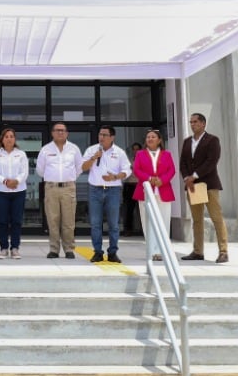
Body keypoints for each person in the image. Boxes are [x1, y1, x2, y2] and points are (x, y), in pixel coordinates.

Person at [179, 112, 229, 264]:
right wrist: (187, 178)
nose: (192, 124)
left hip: (208, 185)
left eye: (195, 122)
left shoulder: (212, 140)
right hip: (193, 186)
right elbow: (183, 163)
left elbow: (211, 161)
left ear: (203, 124)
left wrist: (194, 175)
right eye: (191, 122)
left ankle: (223, 251)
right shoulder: (187, 142)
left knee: (216, 218)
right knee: (197, 220)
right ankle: (198, 251)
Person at [84, 125, 131, 263]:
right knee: (95, 223)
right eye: (100, 134)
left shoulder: (119, 152)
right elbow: (82, 167)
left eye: (105, 135)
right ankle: (97, 252)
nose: (101, 137)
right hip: (95, 190)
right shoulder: (92, 150)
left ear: (112, 137)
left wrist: (115, 177)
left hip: (113, 191)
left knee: (113, 224)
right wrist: (93, 158)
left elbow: (127, 170)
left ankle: (113, 252)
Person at [37, 121, 83, 259]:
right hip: (51, 188)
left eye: (63, 130)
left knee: (68, 221)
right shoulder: (46, 149)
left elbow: (79, 168)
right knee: (53, 220)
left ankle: (69, 249)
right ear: (52, 133)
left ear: (67, 133)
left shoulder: (74, 149)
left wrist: (69, 178)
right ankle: (54, 249)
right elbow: (40, 170)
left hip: (68, 188)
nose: (60, 132)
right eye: (57, 130)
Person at [133, 127, 177, 259]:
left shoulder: (167, 154)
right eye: (148, 137)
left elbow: (172, 170)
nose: (150, 139)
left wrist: (162, 180)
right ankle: (152, 251)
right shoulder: (140, 154)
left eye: (153, 137)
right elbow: (137, 170)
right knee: (148, 221)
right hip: (146, 191)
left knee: (163, 220)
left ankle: (163, 251)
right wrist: (150, 179)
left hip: (163, 190)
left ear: (159, 140)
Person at [0, 126, 28, 259]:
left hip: (19, 191)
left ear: (14, 139)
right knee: (2, 221)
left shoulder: (21, 154)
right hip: (1, 191)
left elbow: (25, 172)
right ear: (2, 140)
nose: (9, 139)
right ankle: (4, 248)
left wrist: (16, 181)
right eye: (7, 137)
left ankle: (15, 248)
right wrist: (5, 181)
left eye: (11, 136)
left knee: (16, 221)